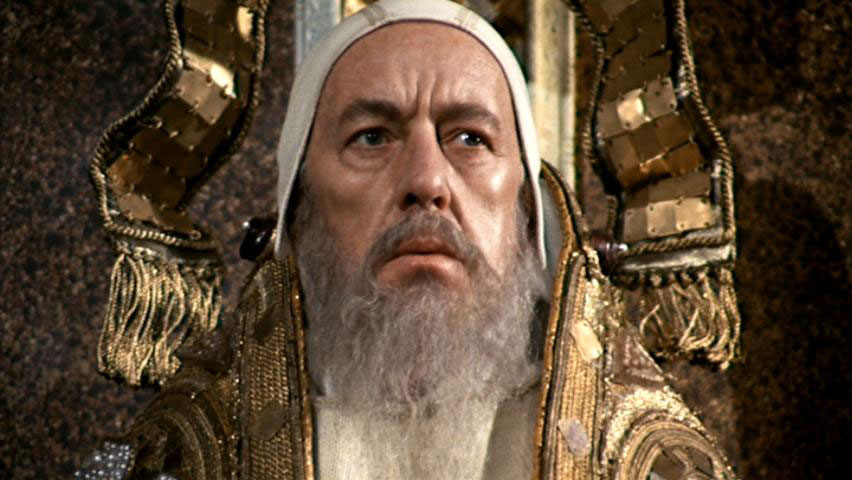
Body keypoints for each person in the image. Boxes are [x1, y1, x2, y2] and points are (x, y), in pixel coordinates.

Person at [77, 0, 738, 478]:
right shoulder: (179, 463)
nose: (426, 181)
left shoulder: (646, 465)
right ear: (297, 211)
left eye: (470, 138)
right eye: (372, 137)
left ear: (529, 213)